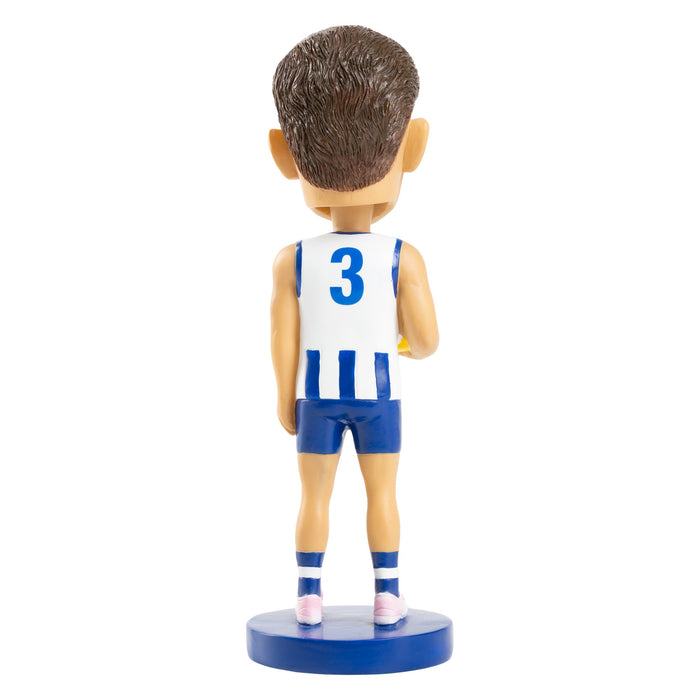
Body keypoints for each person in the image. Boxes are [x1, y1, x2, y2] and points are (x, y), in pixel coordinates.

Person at [269, 26, 438, 626]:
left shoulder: (292, 259)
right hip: (378, 394)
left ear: (284, 155)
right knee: (382, 493)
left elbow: (283, 339)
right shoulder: (401, 257)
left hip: (315, 395)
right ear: (412, 146)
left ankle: (308, 597)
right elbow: (427, 341)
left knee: (313, 496)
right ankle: (387, 596)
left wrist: (284, 396)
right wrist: (397, 343)